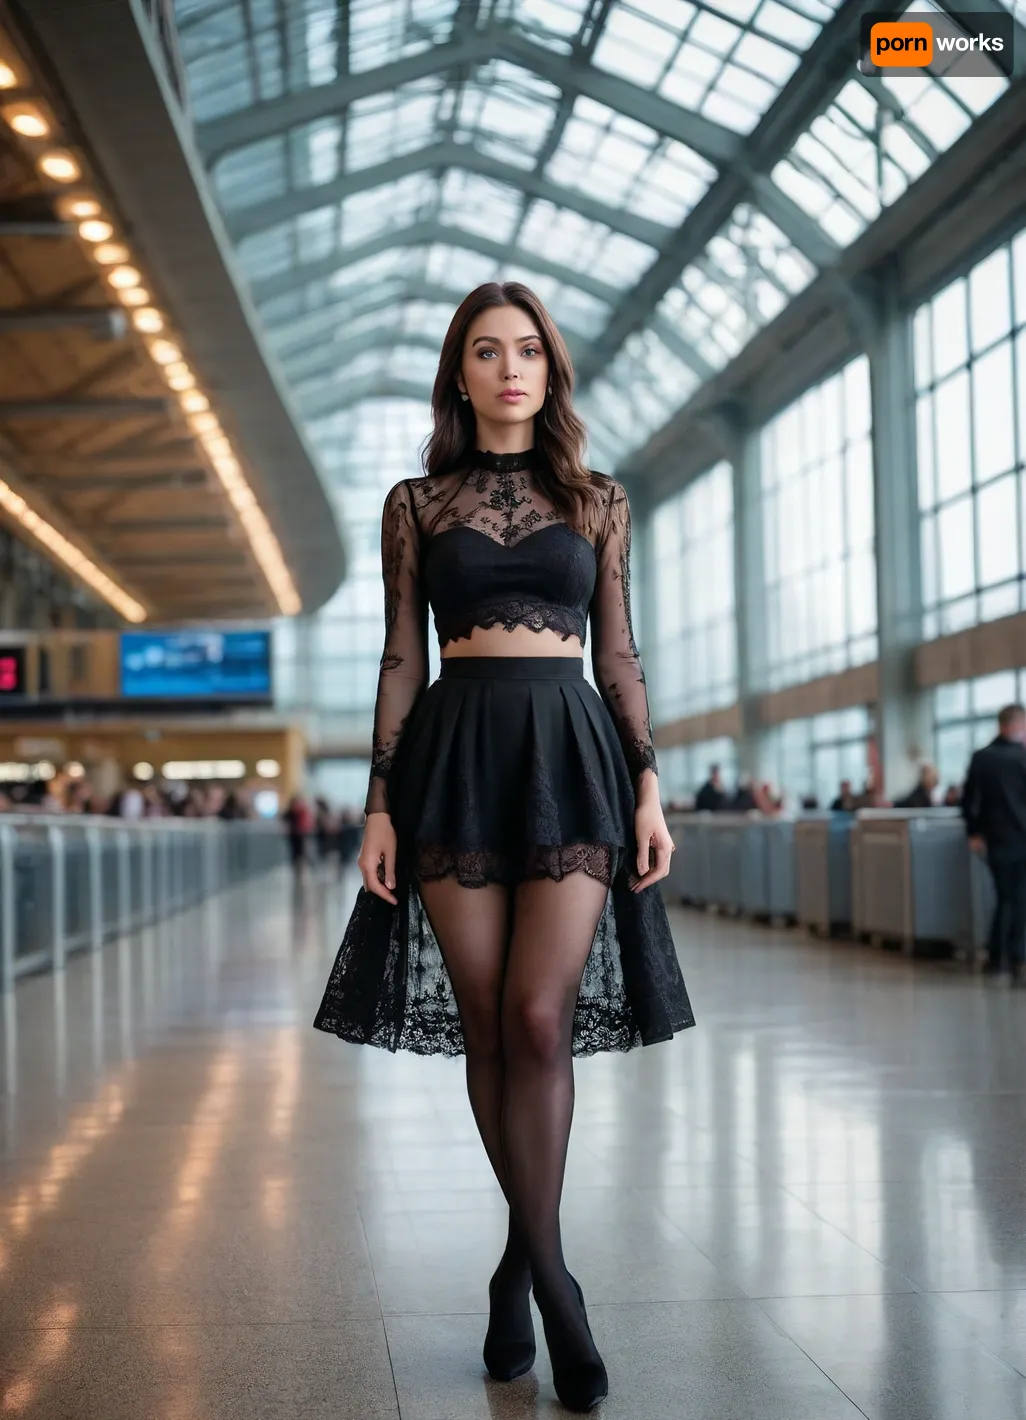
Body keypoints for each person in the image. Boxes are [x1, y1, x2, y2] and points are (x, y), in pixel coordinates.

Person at [312, 282, 694, 1413]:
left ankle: (542, 1280)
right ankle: (534, 1265)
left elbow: (619, 653)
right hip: (454, 760)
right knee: (488, 1018)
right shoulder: (416, 502)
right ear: (461, 371)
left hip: (573, 748)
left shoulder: (601, 499)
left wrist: (651, 782)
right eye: (487, 350)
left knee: (540, 1015)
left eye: (528, 349)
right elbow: (398, 661)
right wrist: (381, 801)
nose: (510, 367)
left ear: (549, 369)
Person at [962, 703, 1026, 983]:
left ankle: (996, 956)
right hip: (1021, 837)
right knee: (1020, 899)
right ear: (1015, 726)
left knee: (1004, 897)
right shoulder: (1022, 758)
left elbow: (968, 801)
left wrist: (974, 832)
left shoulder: (981, 757)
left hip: (995, 839)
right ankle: (1018, 956)